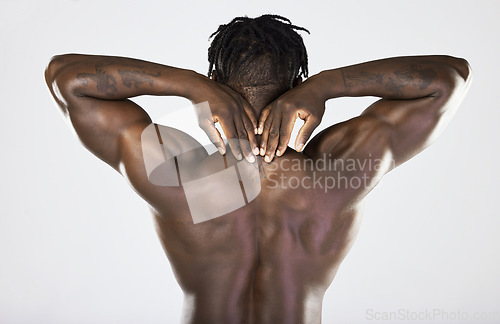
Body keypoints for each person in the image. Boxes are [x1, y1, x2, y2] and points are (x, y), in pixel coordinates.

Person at [45, 14, 471, 324]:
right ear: (295, 80)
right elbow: (448, 78)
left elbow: (66, 78)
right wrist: (325, 86)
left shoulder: (175, 172)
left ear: (218, 78)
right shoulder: (341, 166)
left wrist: (191, 85)